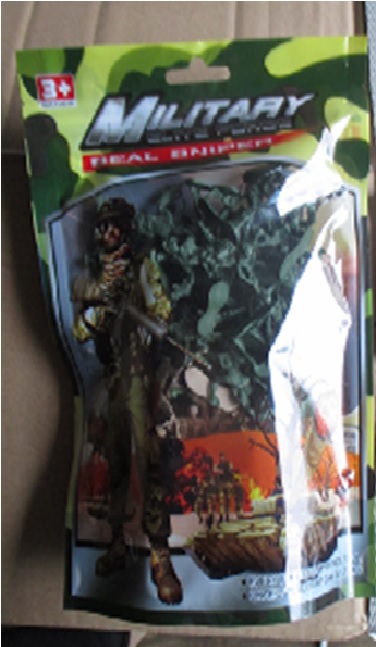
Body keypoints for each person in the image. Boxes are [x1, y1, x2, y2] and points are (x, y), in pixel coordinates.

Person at [72, 197, 182, 605]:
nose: (109, 233)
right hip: (114, 380)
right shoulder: (94, 279)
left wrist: (150, 319)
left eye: (115, 225)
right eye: (104, 227)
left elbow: (162, 311)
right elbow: (79, 330)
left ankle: (159, 555)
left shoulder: (142, 269)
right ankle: (116, 542)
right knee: (115, 462)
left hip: (140, 378)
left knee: (149, 460)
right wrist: (97, 315)